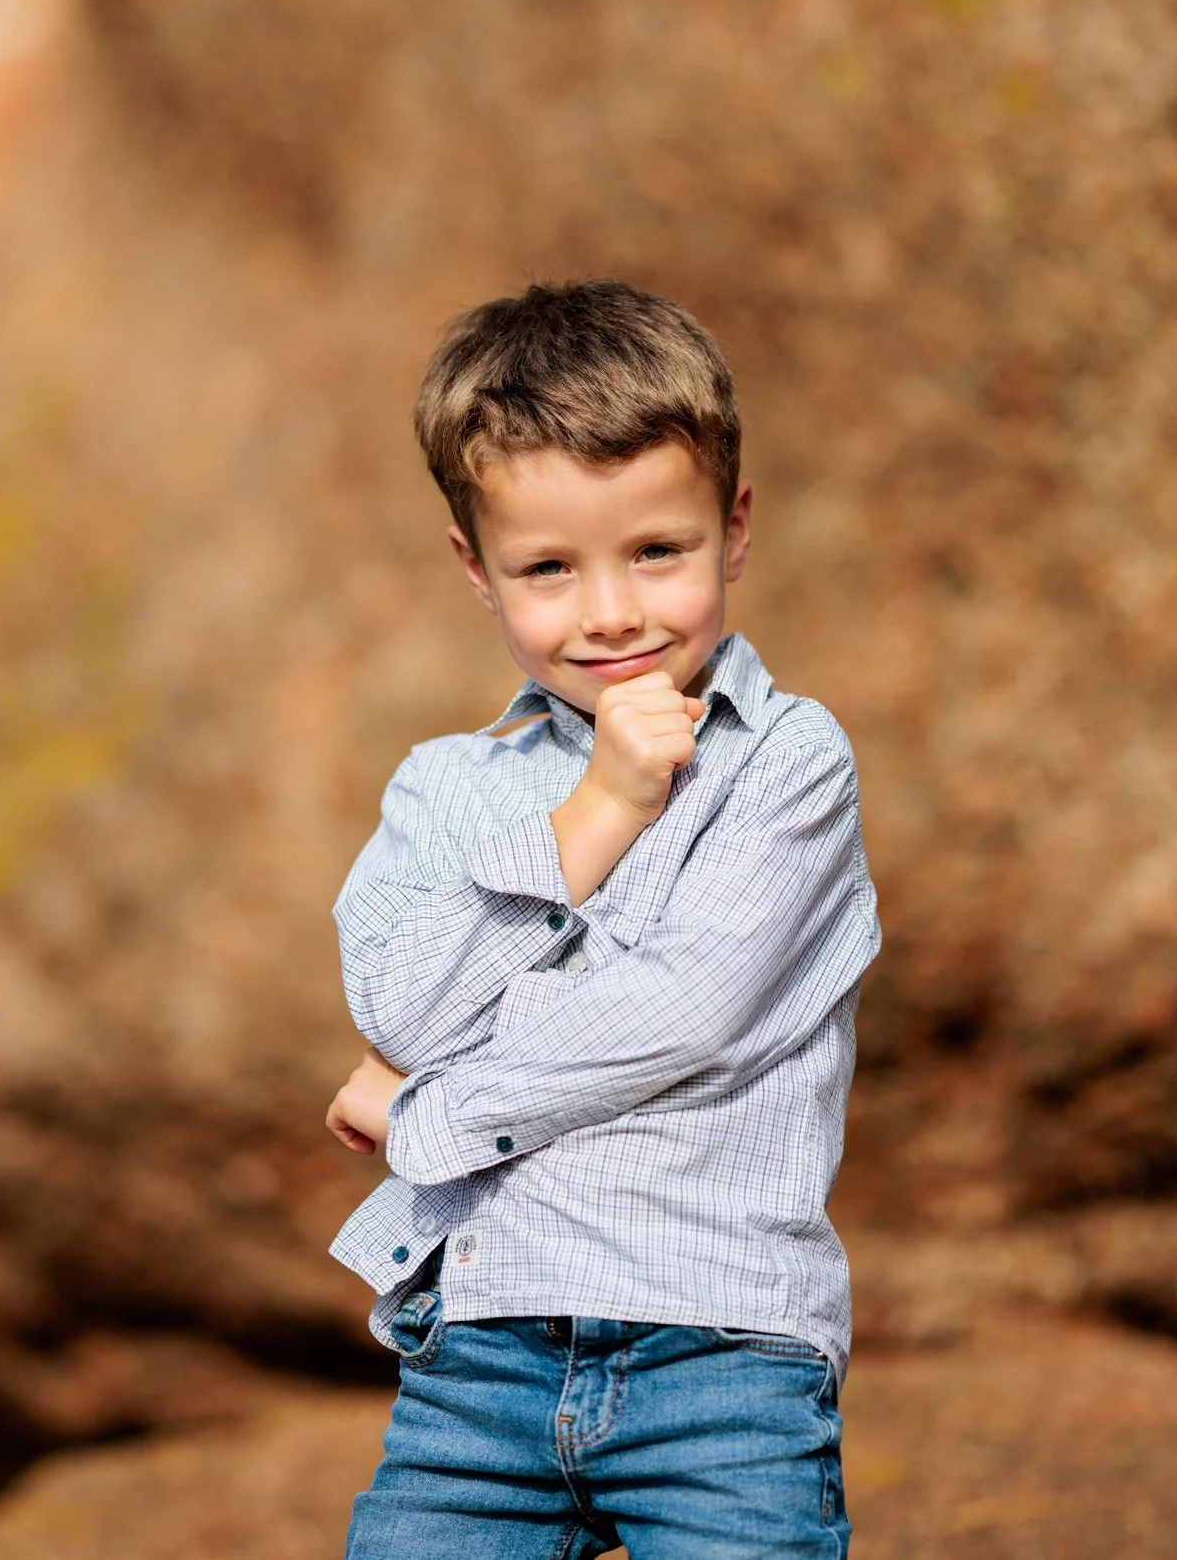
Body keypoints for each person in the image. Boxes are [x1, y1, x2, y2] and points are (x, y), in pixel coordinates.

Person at [323, 279, 880, 1558]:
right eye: (548, 570)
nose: (612, 611)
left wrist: (421, 1113)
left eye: (656, 552)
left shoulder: (788, 763)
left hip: (723, 1351)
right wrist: (604, 804)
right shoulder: (444, 789)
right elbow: (399, 1006)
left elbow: (675, 1018)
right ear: (477, 569)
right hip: (478, 1357)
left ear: (733, 528)